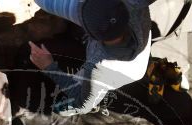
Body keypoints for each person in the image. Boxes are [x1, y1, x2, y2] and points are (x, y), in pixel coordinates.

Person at [28, 0, 157, 115]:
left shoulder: (100, 66)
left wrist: (49, 66)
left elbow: (84, 105)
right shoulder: (134, 3)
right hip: (141, 47)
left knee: (66, 106)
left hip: (127, 73)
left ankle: (64, 109)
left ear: (90, 33)